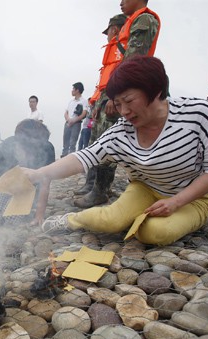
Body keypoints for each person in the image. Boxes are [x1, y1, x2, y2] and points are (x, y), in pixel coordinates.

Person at [24, 56, 208, 246]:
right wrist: (40, 173)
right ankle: (71, 220)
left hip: (192, 197)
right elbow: (84, 157)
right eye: (118, 104)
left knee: (154, 232)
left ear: (155, 90)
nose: (124, 112)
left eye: (129, 101)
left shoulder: (199, 114)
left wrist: (176, 202)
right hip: (145, 188)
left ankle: (170, 219)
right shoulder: (121, 131)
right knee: (111, 221)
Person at [76, 3, 161, 209]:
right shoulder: (131, 24)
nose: (120, 2)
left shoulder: (144, 19)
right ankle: (93, 185)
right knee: (97, 142)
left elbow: (132, 62)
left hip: (117, 93)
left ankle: (100, 191)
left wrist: (115, 97)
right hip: (108, 94)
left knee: (107, 143)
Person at [61, 82, 88, 157]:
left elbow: (84, 113)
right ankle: (63, 156)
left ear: (77, 90)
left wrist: (73, 120)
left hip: (76, 124)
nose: (72, 90)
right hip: (67, 123)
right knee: (65, 142)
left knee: (72, 143)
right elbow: (66, 112)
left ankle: (70, 158)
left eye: (73, 89)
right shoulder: (71, 101)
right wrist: (68, 120)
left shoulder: (83, 101)